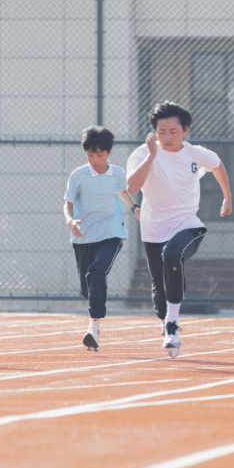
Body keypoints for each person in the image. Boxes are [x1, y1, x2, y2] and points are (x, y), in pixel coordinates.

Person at [126, 101, 232, 358]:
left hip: (188, 225)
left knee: (172, 255)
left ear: (185, 130)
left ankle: (173, 322)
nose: (167, 137)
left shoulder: (195, 154)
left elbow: (217, 164)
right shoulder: (142, 154)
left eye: (173, 131)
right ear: (154, 132)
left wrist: (227, 197)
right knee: (158, 286)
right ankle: (167, 327)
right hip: (153, 229)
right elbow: (131, 187)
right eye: (161, 132)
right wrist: (152, 155)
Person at [64, 126, 140, 351]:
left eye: (100, 155)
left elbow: (122, 190)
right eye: (90, 155)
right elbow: (68, 202)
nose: (95, 160)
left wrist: (134, 207)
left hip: (111, 233)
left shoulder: (117, 174)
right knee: (88, 289)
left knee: (96, 272)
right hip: (83, 236)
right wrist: (70, 220)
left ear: (108, 153)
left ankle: (94, 329)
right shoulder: (78, 175)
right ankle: (94, 314)